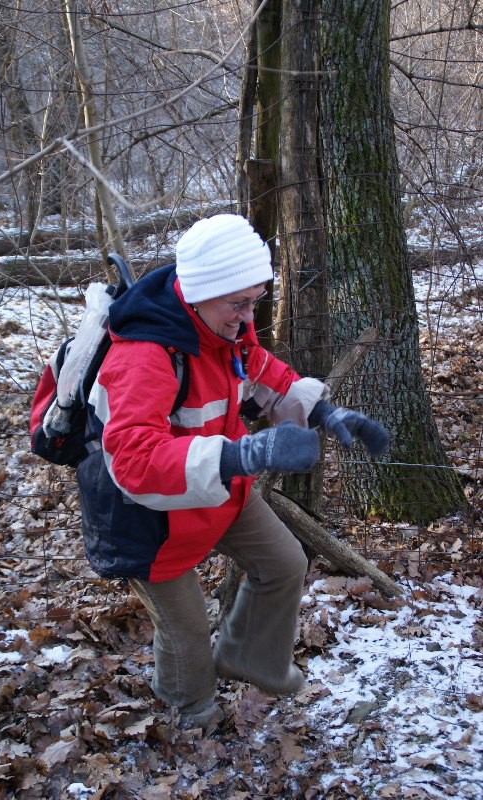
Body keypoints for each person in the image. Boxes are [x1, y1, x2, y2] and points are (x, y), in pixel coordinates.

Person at [77, 213, 390, 730]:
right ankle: (190, 720)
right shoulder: (144, 358)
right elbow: (133, 462)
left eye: (255, 301)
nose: (249, 317)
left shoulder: (223, 328)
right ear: (200, 293)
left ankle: (249, 656)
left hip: (216, 494)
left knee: (286, 562)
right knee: (187, 632)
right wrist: (244, 455)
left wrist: (324, 412)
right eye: (239, 303)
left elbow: (260, 370)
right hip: (146, 519)